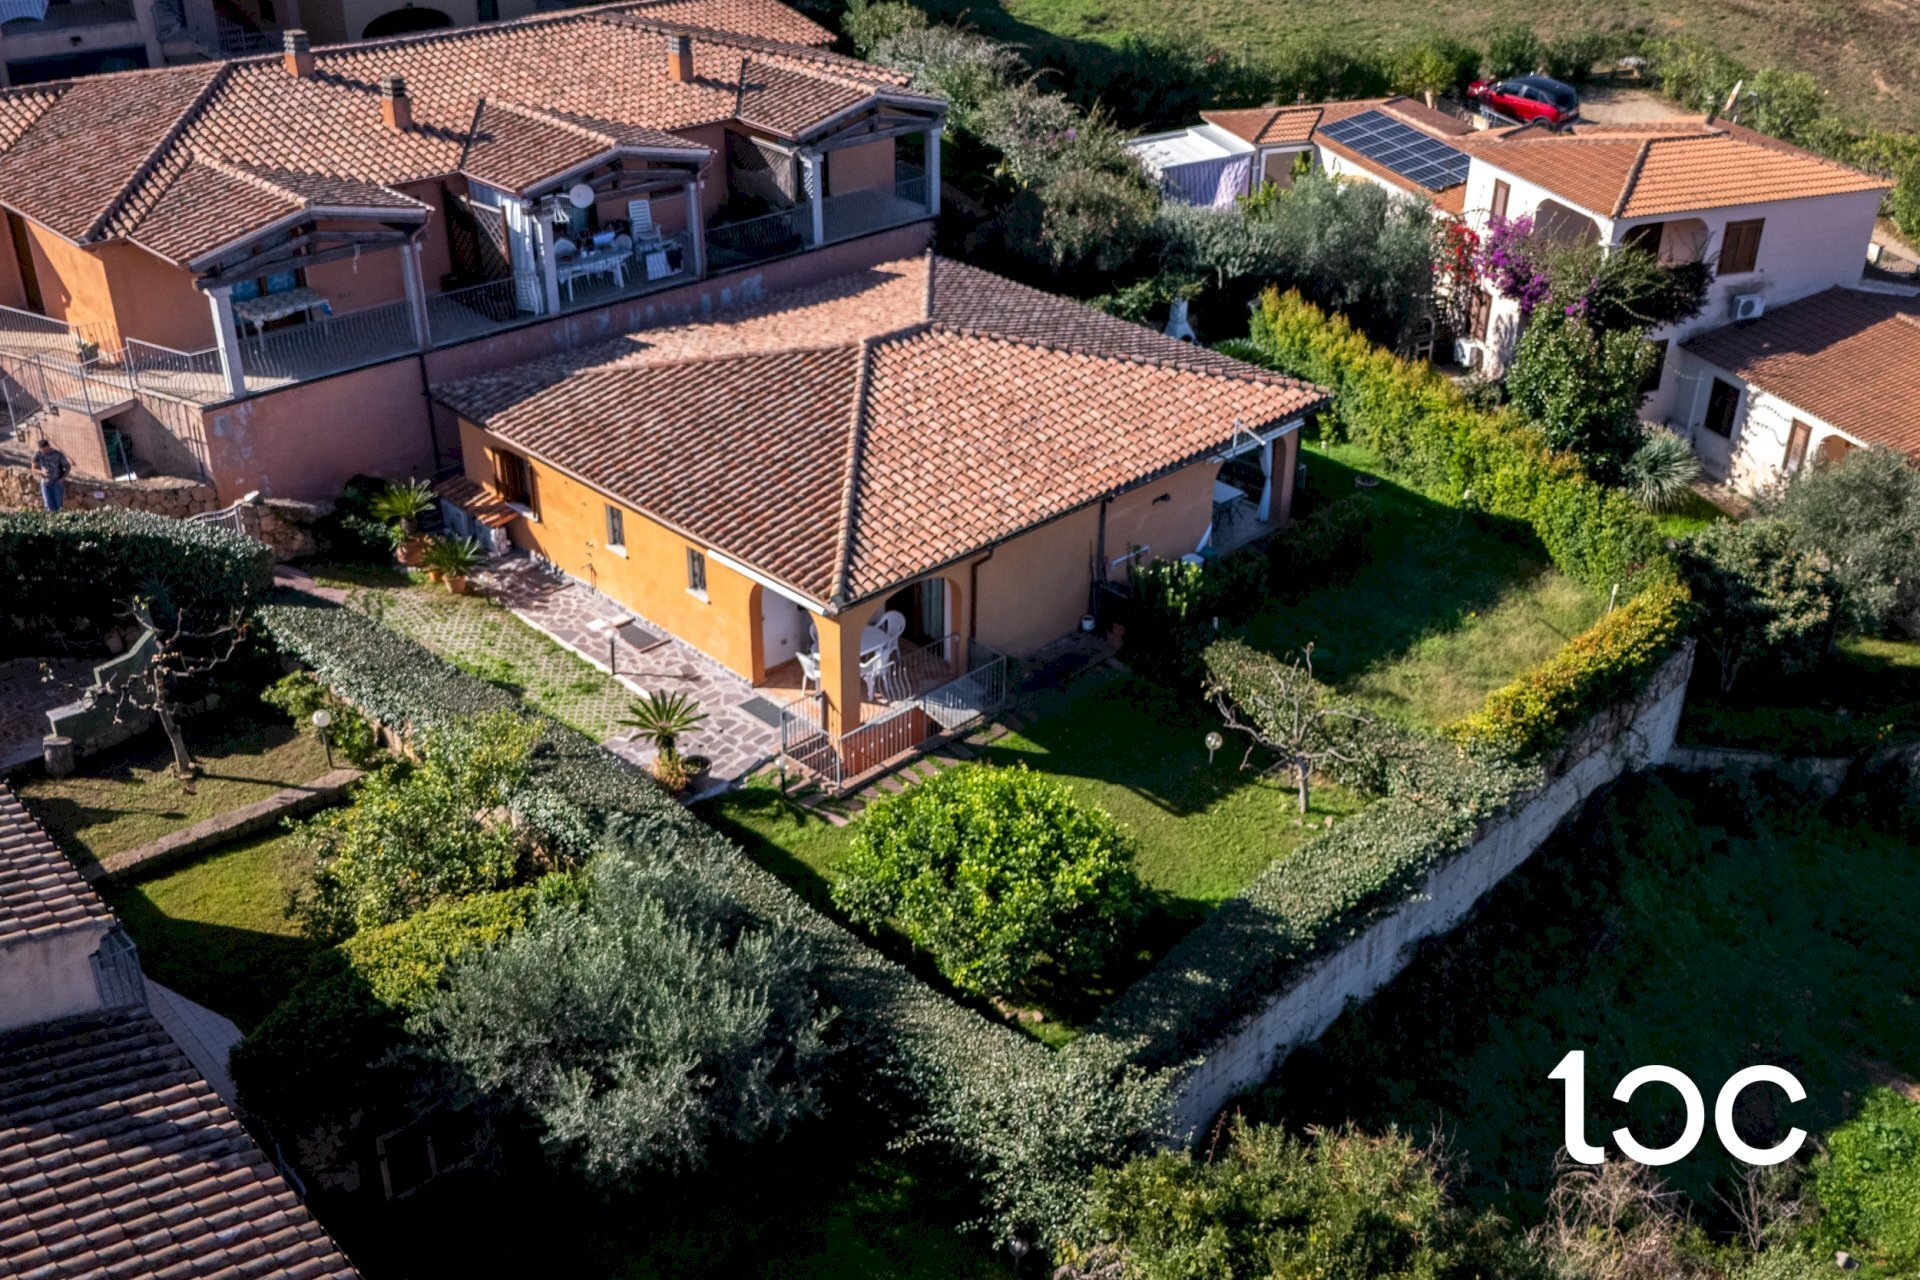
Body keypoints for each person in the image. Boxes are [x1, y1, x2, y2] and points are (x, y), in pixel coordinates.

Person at [31, 438, 69, 512]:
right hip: (45, 484)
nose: (45, 451)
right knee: (48, 505)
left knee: (58, 505)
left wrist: (62, 479)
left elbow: (68, 467)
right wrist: (42, 472)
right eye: (43, 450)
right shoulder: (37, 455)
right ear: (40, 449)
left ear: (49, 446)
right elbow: (33, 468)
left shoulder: (58, 454)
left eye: (46, 449)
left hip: (57, 483)